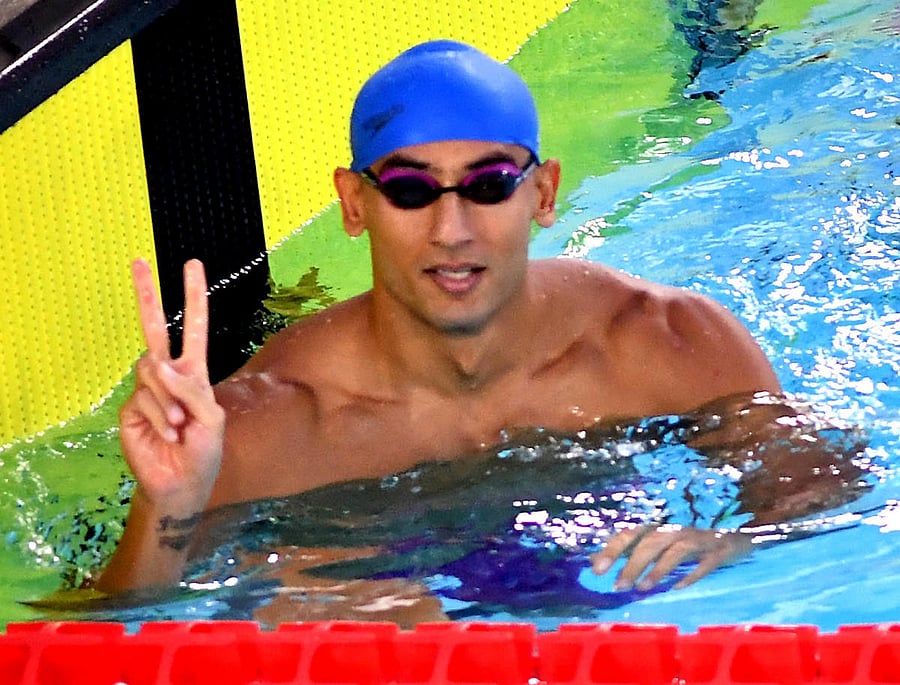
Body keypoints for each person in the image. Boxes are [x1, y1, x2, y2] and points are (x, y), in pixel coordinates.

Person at [98, 40, 835, 598]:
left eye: (487, 184)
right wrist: (172, 501)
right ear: (355, 206)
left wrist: (739, 534)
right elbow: (112, 627)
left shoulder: (664, 342)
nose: (452, 229)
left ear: (543, 195)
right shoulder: (267, 426)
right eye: (411, 191)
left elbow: (821, 485)